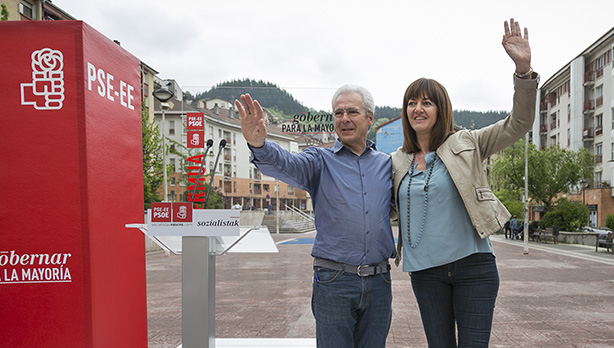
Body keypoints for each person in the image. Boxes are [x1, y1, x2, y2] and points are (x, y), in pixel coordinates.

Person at [391, 18, 538, 347]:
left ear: (440, 109)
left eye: (426, 102)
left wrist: (523, 73)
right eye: (412, 102)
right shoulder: (397, 161)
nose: (418, 108)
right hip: (425, 272)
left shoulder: (468, 142)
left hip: (474, 267)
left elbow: (520, 122)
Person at [235, 86, 396, 348]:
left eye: (352, 111)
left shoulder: (386, 164)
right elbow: (286, 163)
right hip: (335, 281)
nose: (344, 118)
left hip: (379, 282)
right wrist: (259, 144)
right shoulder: (319, 160)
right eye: (338, 112)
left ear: (369, 117)